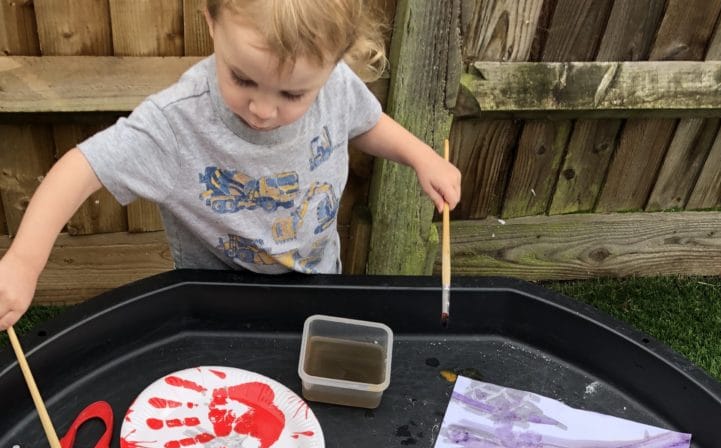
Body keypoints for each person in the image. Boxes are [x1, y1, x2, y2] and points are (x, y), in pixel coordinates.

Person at [0, 0, 461, 330]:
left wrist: (420, 156)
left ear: (335, 61)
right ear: (211, 22)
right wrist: (23, 261)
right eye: (242, 78)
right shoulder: (177, 122)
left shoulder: (335, 83)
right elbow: (83, 166)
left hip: (321, 281)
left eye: (293, 95)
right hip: (218, 304)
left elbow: (364, 122)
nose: (262, 109)